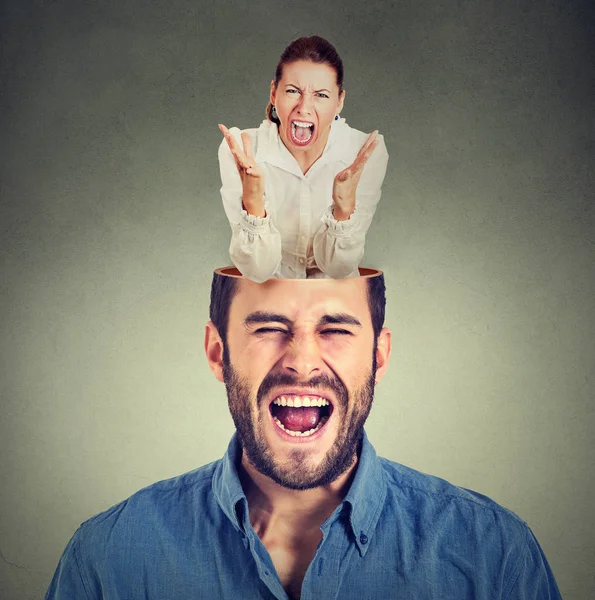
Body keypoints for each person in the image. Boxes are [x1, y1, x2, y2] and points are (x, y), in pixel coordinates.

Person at [45, 267, 562, 600]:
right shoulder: (108, 561)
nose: (302, 361)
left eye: (335, 329)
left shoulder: (494, 557)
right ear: (218, 352)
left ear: (378, 356)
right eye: (268, 328)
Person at [218, 36, 389, 282]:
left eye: (320, 95)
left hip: (337, 308)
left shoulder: (363, 152)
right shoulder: (242, 150)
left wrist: (343, 208)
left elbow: (339, 269)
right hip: (265, 309)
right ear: (274, 93)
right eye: (292, 91)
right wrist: (253, 202)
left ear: (339, 101)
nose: (304, 107)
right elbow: (257, 271)